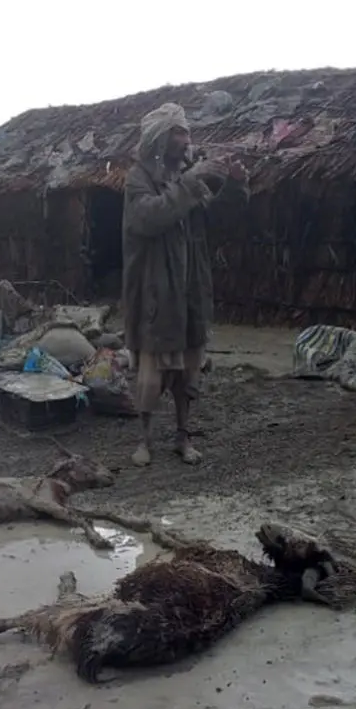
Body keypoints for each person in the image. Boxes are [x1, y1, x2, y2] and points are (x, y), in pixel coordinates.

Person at [122, 102, 248, 467]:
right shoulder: (138, 178)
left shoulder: (186, 175)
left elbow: (215, 220)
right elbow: (147, 218)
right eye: (180, 132)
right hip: (157, 290)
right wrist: (192, 183)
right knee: (152, 370)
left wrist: (235, 186)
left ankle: (183, 435)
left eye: (187, 131)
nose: (187, 139)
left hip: (190, 287)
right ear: (162, 139)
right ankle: (144, 440)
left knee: (189, 367)